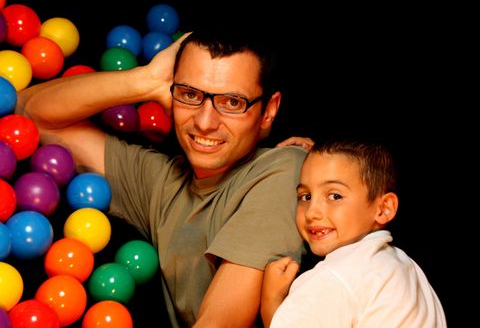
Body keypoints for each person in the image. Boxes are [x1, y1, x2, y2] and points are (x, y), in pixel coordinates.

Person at [17, 27, 314, 327]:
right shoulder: (163, 181)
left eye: (232, 102)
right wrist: (145, 80)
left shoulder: (286, 170)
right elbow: (30, 118)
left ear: (268, 111)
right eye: (190, 94)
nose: (205, 122)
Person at [261, 139, 447, 327]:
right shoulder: (404, 268)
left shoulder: (335, 277)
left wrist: (271, 301)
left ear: (383, 209)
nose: (311, 212)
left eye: (335, 196)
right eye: (306, 196)